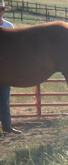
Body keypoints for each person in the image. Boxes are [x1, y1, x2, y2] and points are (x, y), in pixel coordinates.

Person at [0, 0, 22, 134]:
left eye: (2, 10)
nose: (0, 12)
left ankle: (7, 126)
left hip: (5, 69)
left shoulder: (9, 26)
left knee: (4, 97)